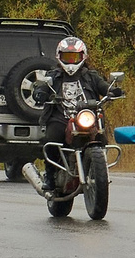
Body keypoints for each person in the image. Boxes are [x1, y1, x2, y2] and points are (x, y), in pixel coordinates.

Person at [22, 34, 116, 194]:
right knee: (52, 139)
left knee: (101, 137)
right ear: (59, 57)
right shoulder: (54, 76)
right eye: (67, 57)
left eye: (75, 57)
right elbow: (42, 87)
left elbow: (103, 86)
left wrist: (113, 90)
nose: (71, 61)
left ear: (83, 56)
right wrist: (40, 92)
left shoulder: (91, 76)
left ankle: (99, 171)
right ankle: (50, 176)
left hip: (86, 117)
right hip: (61, 117)